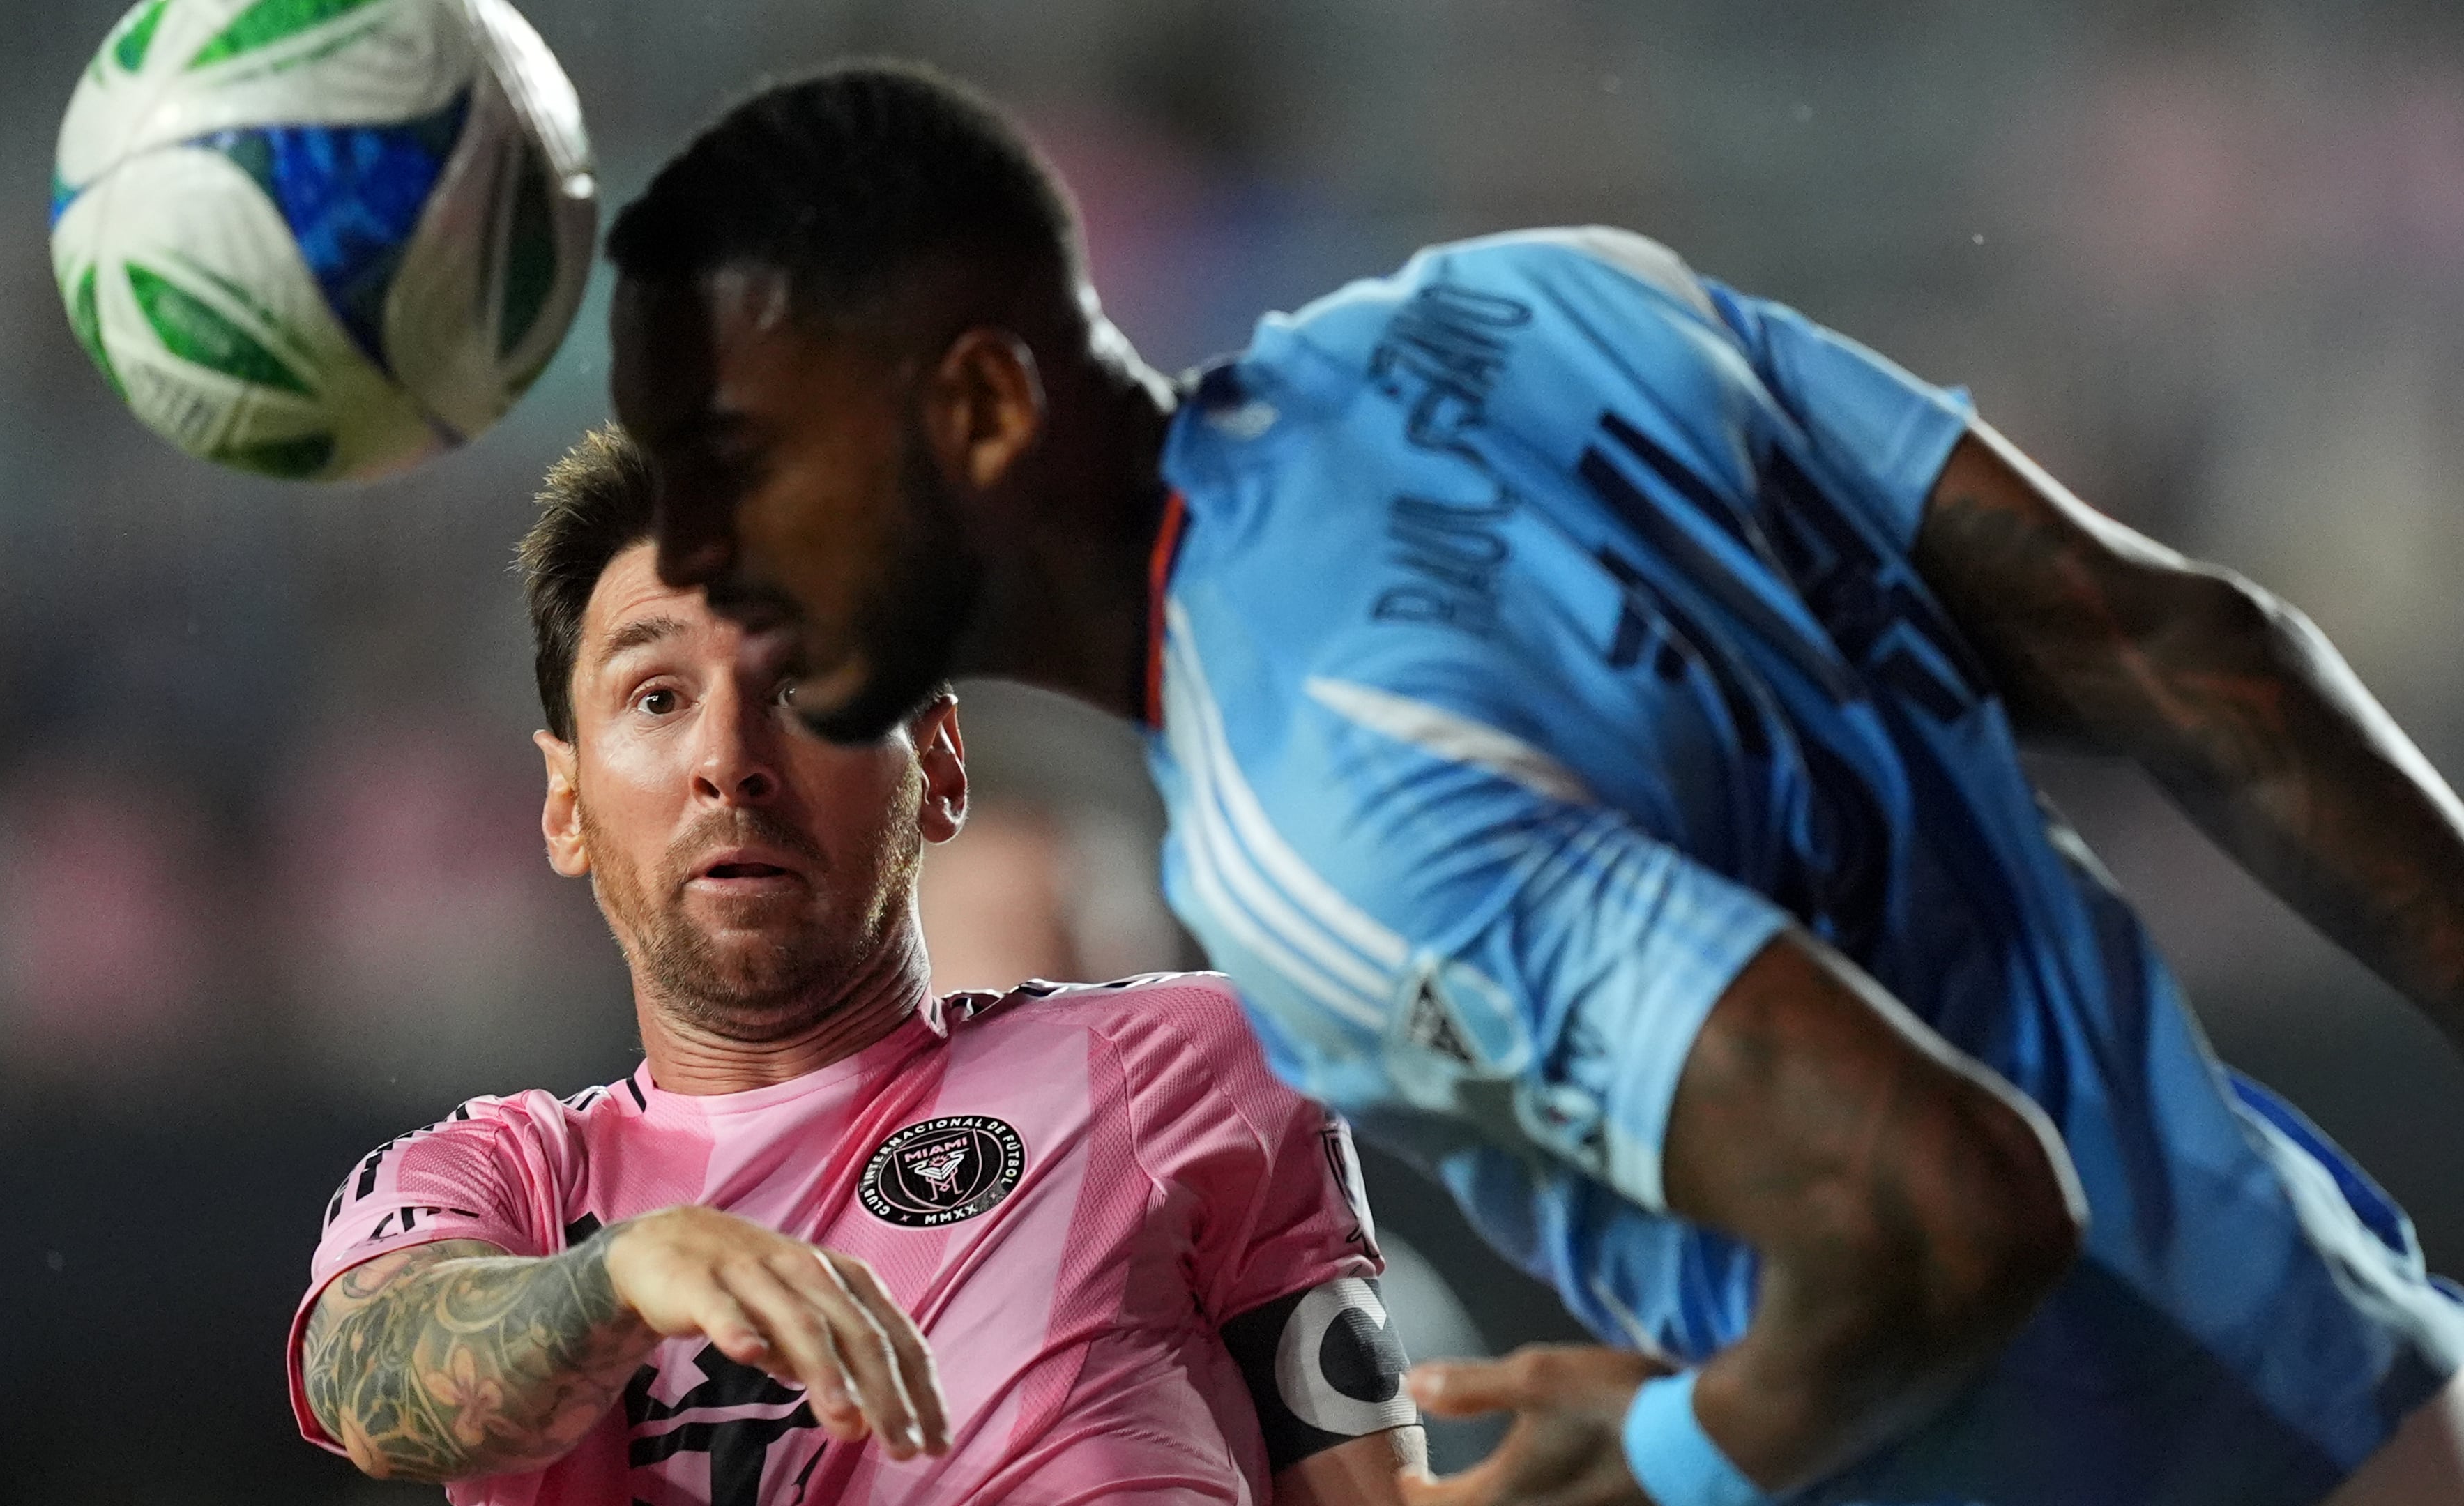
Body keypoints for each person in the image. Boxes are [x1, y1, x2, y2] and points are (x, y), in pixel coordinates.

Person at [600, 60, 2464, 1506]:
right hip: (2375, 1368)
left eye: (736, 457)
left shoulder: (1310, 828)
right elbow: (2203, 662)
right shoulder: (1520, 318)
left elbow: (1950, 1207)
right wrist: (1716, 1397)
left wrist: (1656, 1466)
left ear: (988, 408)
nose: (694, 542)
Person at [283, 427, 1426, 1505]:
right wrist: (619, 1276)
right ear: (565, 802)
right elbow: (379, 1380)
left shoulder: (1195, 1069)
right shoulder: (506, 1188)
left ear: (936, 765)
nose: (728, 759)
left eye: (802, 687)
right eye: (657, 697)